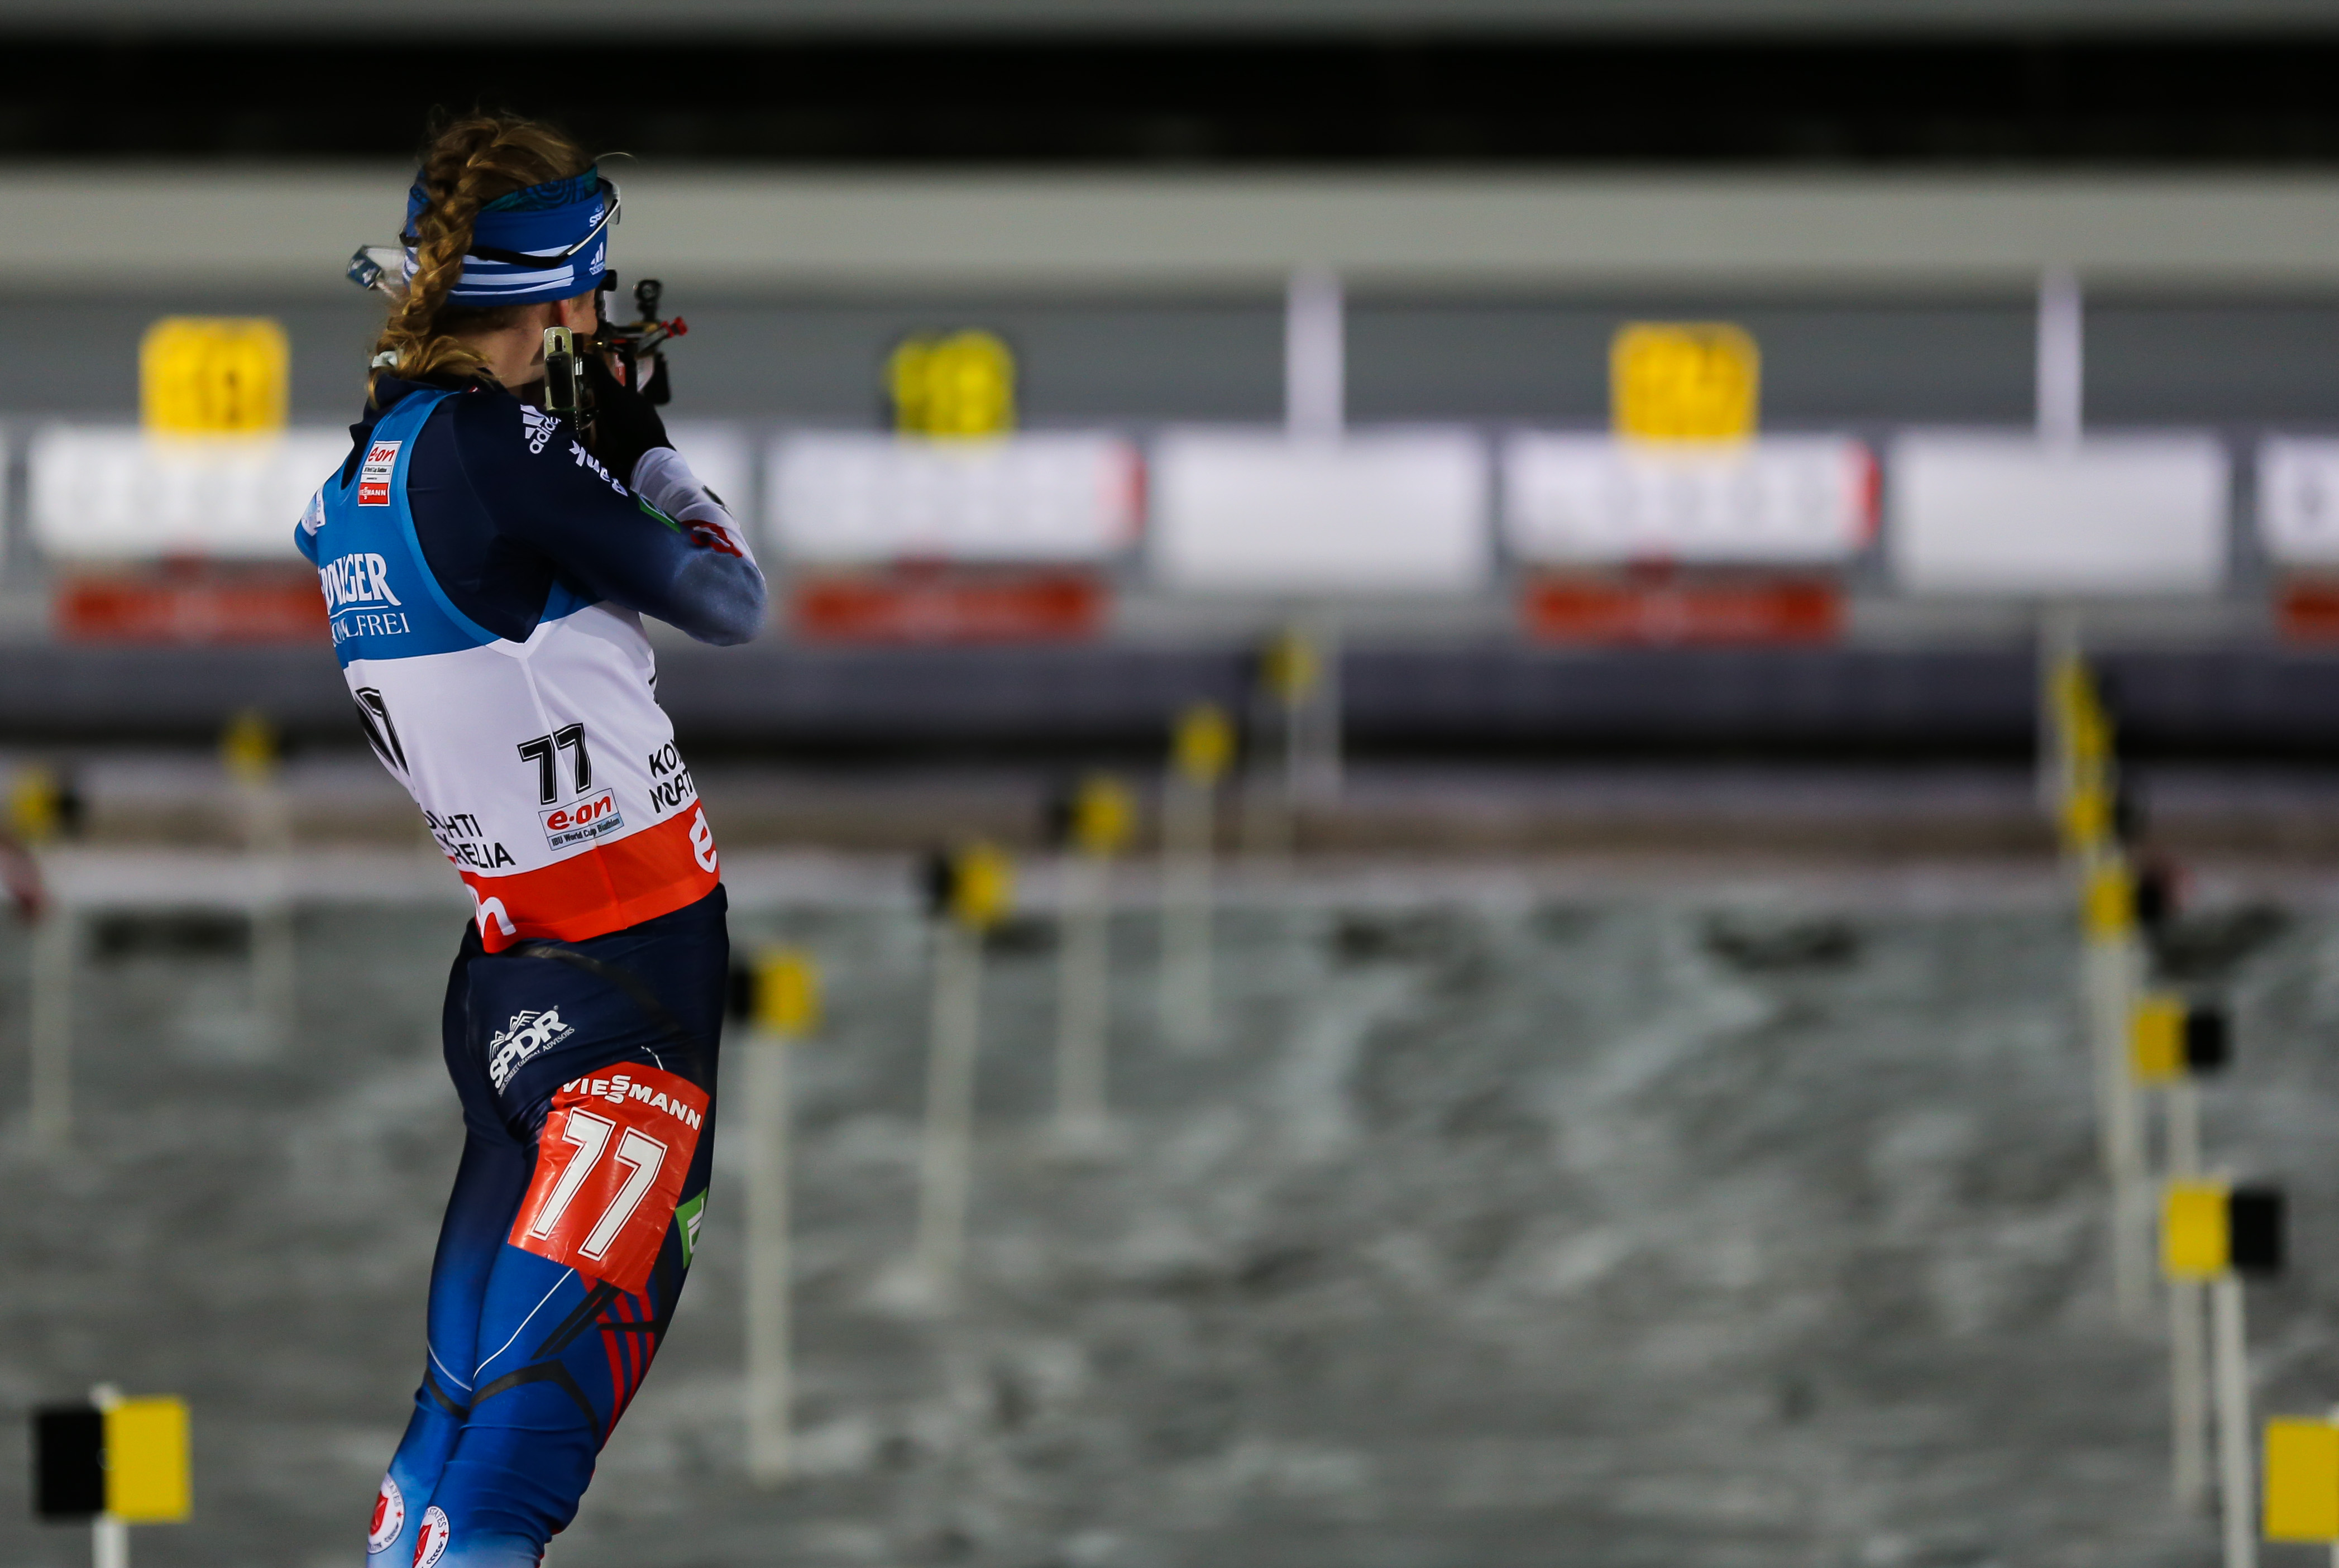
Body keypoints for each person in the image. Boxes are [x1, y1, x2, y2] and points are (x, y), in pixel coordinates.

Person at [300, 114, 766, 1568]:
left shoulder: (367, 468)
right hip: (629, 1005)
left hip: (508, 979)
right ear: (562, 293)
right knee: (511, 1485)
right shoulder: (500, 450)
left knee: (443, 1431)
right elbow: (730, 602)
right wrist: (647, 448)